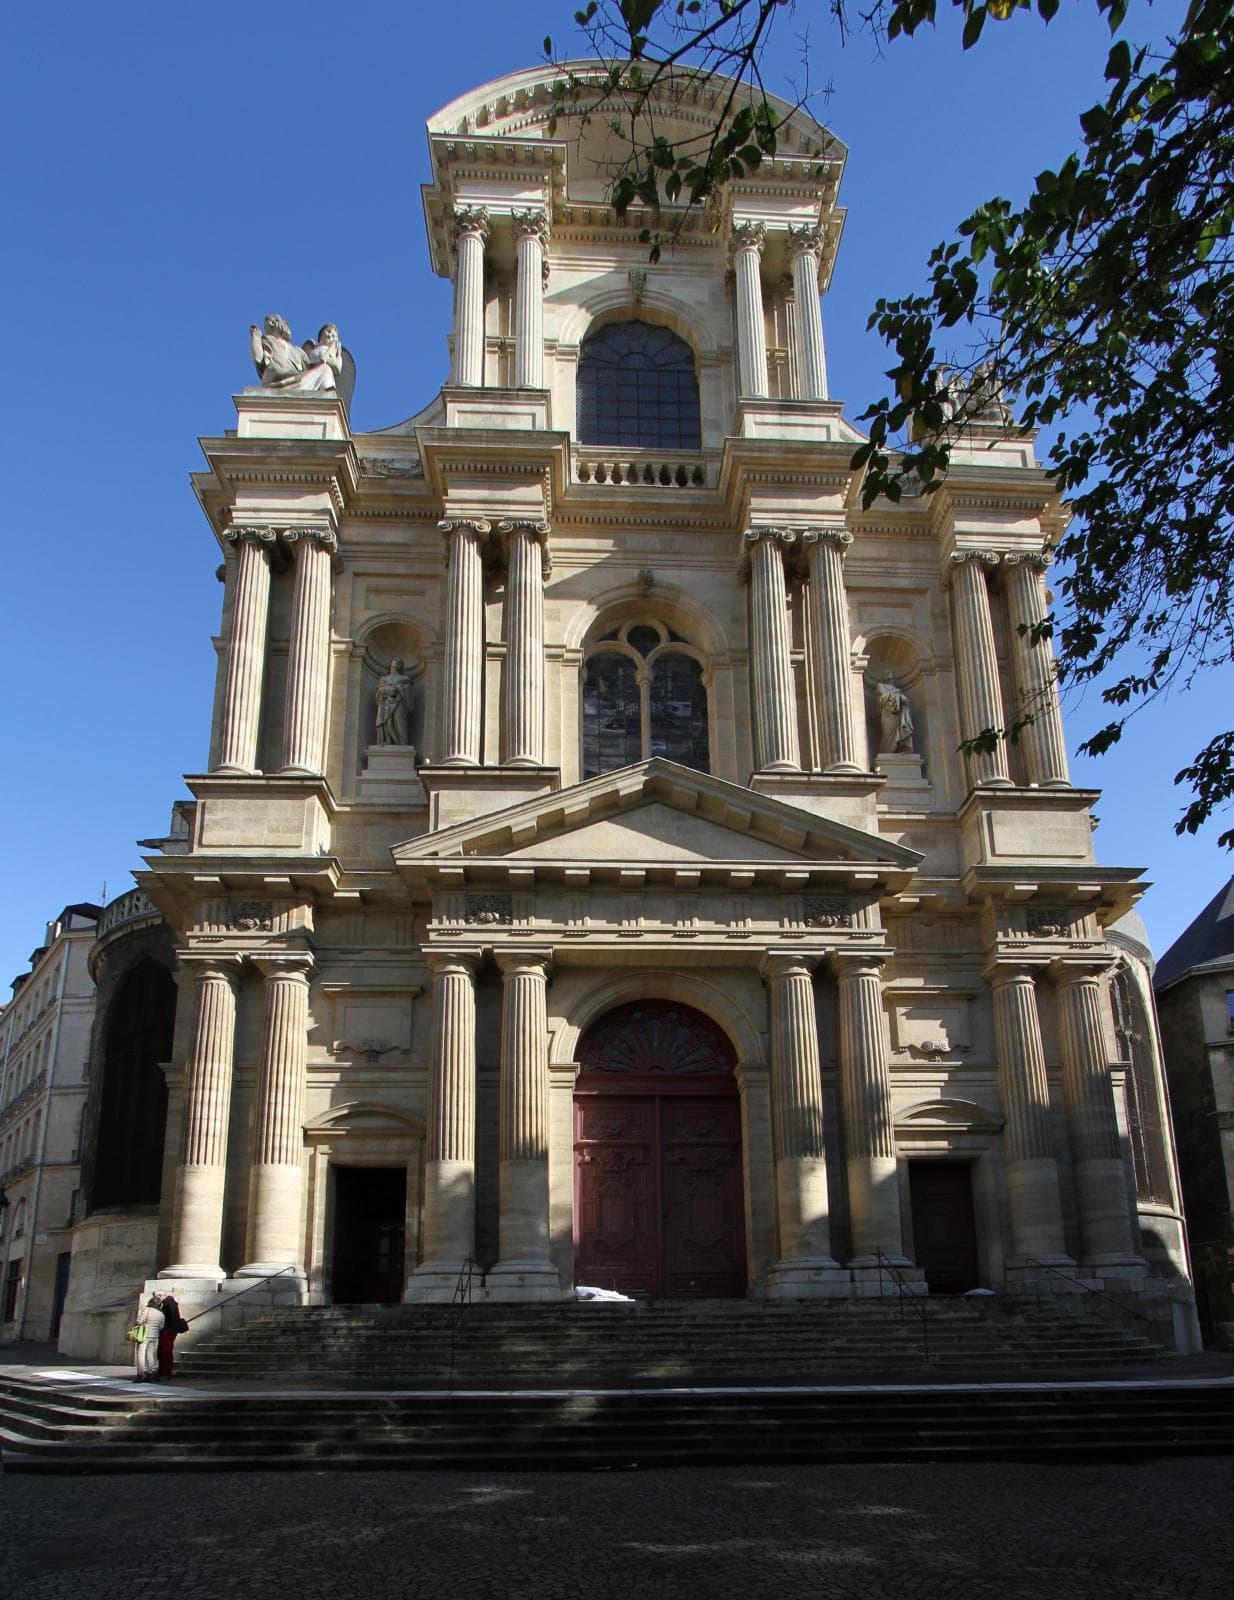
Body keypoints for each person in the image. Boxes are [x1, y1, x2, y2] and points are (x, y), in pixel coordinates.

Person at [249, 315, 342, 393]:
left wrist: (329, 354)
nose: (287, 325)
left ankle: (327, 395)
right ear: (274, 324)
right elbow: (258, 358)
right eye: (284, 322)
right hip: (274, 381)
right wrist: (256, 337)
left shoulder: (297, 351)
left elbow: (310, 368)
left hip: (297, 381)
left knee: (325, 370)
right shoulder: (267, 341)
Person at [374, 656, 415, 746]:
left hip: (399, 703)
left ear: (401, 666)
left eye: (399, 661)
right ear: (391, 662)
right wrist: (387, 691)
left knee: (399, 720)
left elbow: (408, 689)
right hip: (385, 704)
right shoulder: (384, 679)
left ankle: (402, 742)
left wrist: (397, 689)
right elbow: (379, 691)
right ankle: (386, 740)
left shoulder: (404, 678)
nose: (397, 662)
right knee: (385, 722)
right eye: (395, 660)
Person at [870, 671, 914, 753]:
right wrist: (899, 696)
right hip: (887, 713)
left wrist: (902, 698)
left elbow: (905, 701)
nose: (888, 673)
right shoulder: (880, 685)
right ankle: (888, 751)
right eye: (886, 672)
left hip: (899, 715)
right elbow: (884, 695)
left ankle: (901, 748)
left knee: (900, 731)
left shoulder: (897, 690)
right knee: (888, 733)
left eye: (890, 673)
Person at [133, 1293, 165, 1383]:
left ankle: (140, 1374)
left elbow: (139, 1321)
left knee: (140, 1354)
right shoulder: (161, 1314)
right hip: (154, 1336)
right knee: (151, 1354)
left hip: (144, 1334)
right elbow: (161, 1326)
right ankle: (150, 1373)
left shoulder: (147, 1309)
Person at [158, 1291, 187, 1378]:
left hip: (168, 1331)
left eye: (156, 1297)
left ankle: (166, 1371)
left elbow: (172, 1318)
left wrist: (167, 1329)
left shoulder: (169, 1303)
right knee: (163, 1351)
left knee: (165, 1351)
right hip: (168, 1330)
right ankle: (163, 1370)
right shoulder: (168, 1303)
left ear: (161, 1296)